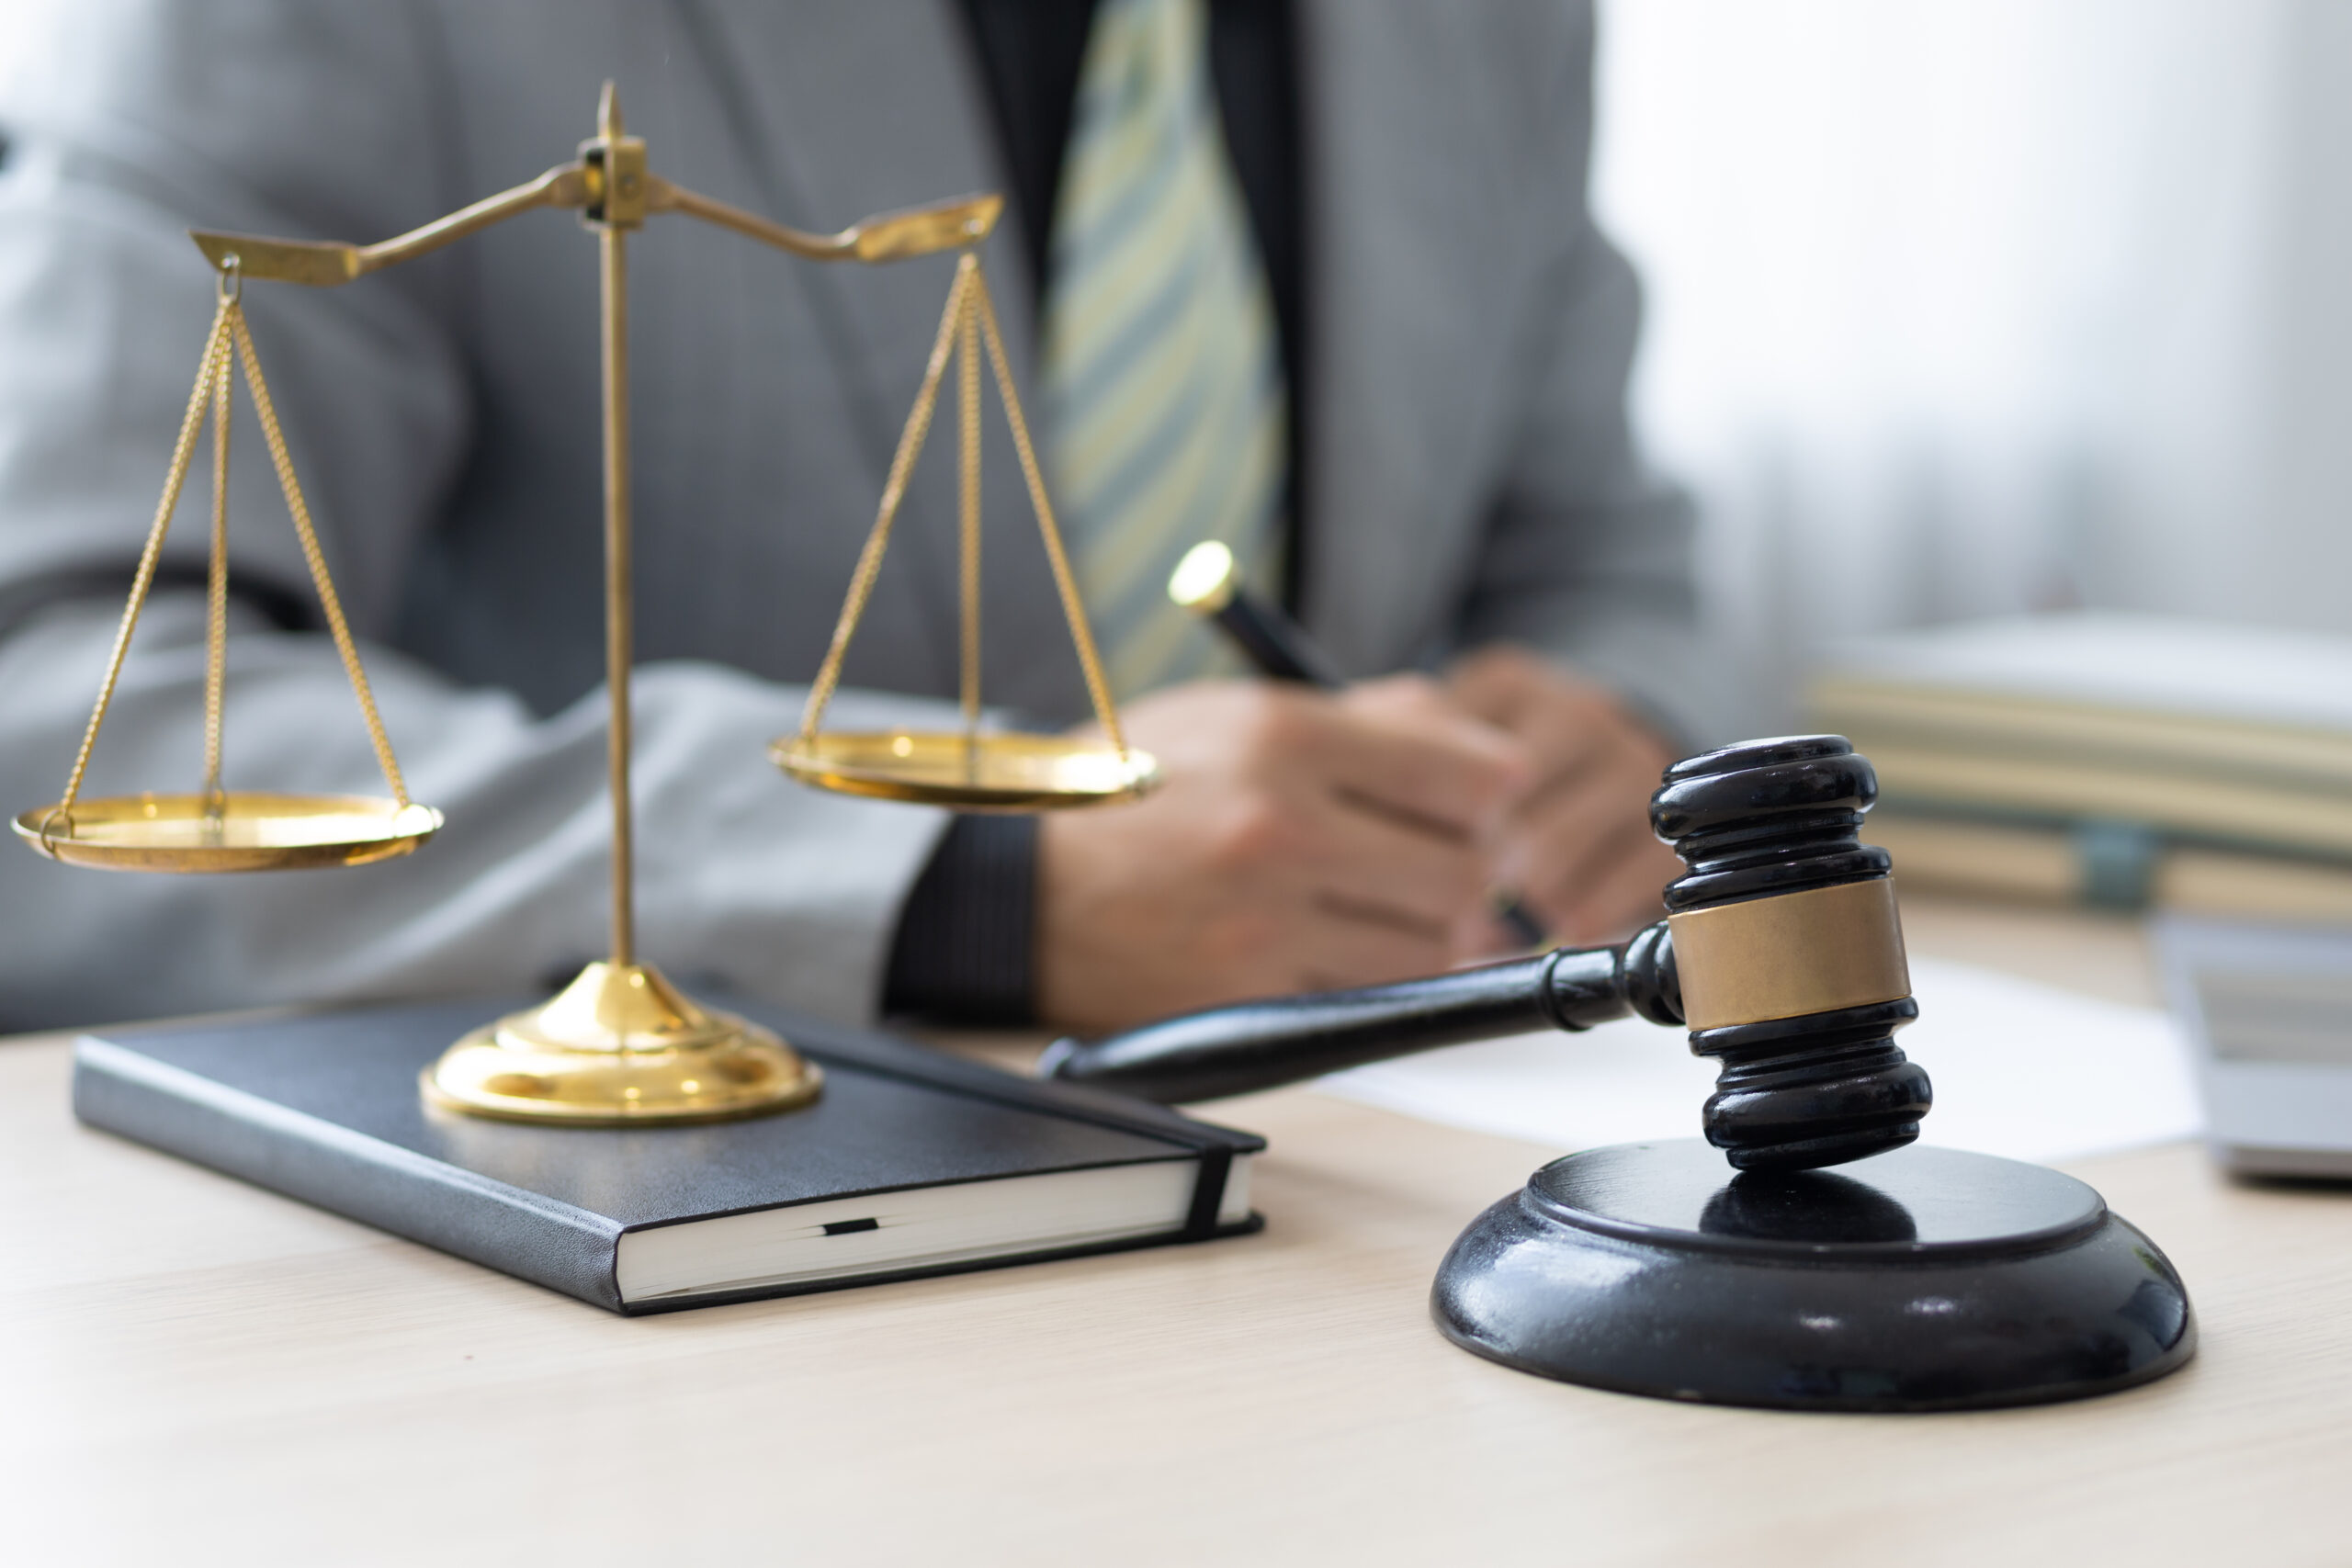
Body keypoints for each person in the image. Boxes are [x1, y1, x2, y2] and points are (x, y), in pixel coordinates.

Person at [0, 0, 1702, 1035]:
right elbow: (58, 706)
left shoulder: (1483, 33)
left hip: (1354, 1228)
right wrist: (965, 884)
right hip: (654, 1281)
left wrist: (1612, 737)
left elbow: (1597, 558)